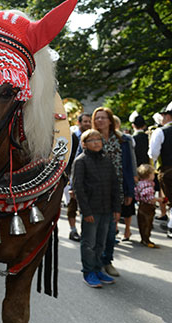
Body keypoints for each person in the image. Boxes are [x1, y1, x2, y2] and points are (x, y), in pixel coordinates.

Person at [73, 129, 120, 288]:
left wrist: (116, 208)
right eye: (91, 140)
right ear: (84, 144)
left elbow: (115, 185)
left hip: (107, 209)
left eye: (98, 139)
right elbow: (78, 188)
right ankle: (88, 272)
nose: (96, 142)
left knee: (102, 242)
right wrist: (86, 212)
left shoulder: (106, 160)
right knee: (89, 243)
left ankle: (98, 268)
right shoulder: (81, 161)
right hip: (91, 210)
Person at [91, 107, 135, 277]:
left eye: (103, 118)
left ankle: (107, 261)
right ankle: (94, 264)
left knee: (110, 232)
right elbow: (79, 163)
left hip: (116, 192)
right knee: (95, 232)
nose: (99, 121)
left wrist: (130, 191)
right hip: (95, 192)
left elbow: (129, 167)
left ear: (110, 120)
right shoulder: (90, 139)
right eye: (97, 118)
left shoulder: (123, 140)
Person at [149, 101, 172, 238]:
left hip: (168, 171)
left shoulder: (160, 131)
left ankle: (171, 227)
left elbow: (153, 154)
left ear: (167, 116)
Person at [67, 113, 92, 242]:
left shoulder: (93, 136)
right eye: (85, 121)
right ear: (79, 122)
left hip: (88, 177)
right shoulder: (72, 136)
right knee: (72, 205)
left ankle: (85, 231)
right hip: (72, 174)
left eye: (89, 121)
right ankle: (73, 230)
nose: (87, 124)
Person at [113, 115, 137, 242]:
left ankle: (127, 230)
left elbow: (132, 159)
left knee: (127, 207)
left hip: (125, 177)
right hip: (113, 179)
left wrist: (134, 175)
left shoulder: (126, 139)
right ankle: (115, 229)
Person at [134, 164, 164, 248]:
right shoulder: (148, 185)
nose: (154, 175)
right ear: (148, 175)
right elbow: (149, 197)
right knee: (148, 224)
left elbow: (137, 194)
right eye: (153, 174)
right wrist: (159, 199)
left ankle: (143, 238)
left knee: (141, 223)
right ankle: (146, 240)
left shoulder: (140, 183)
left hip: (141, 206)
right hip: (148, 207)